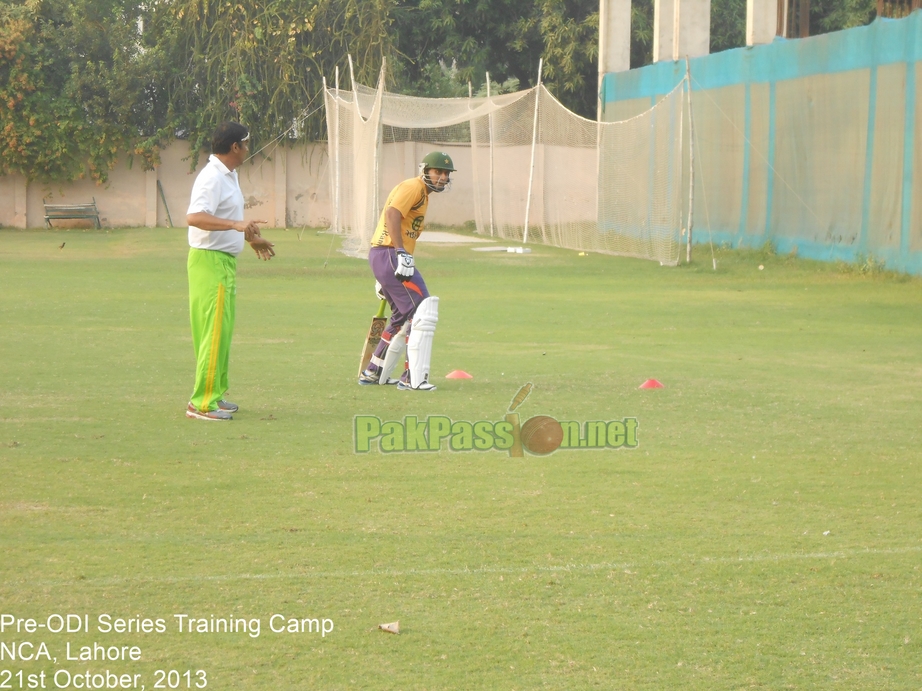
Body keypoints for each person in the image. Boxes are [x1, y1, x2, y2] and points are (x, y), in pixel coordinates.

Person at [185, 122, 275, 421]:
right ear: (234, 146)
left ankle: (216, 393)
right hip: (209, 263)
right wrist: (237, 226)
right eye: (246, 144)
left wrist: (249, 238)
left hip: (223, 261)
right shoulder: (211, 177)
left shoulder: (229, 176)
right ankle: (202, 403)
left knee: (221, 333)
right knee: (212, 332)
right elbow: (195, 217)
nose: (248, 149)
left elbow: (225, 219)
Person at [358, 151, 456, 391]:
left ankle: (374, 371)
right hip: (390, 253)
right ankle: (411, 377)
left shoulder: (423, 194)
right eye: (438, 172)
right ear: (425, 171)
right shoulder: (414, 187)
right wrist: (400, 253)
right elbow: (392, 214)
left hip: (385, 257)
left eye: (446, 173)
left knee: (402, 316)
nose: (442, 177)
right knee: (422, 311)